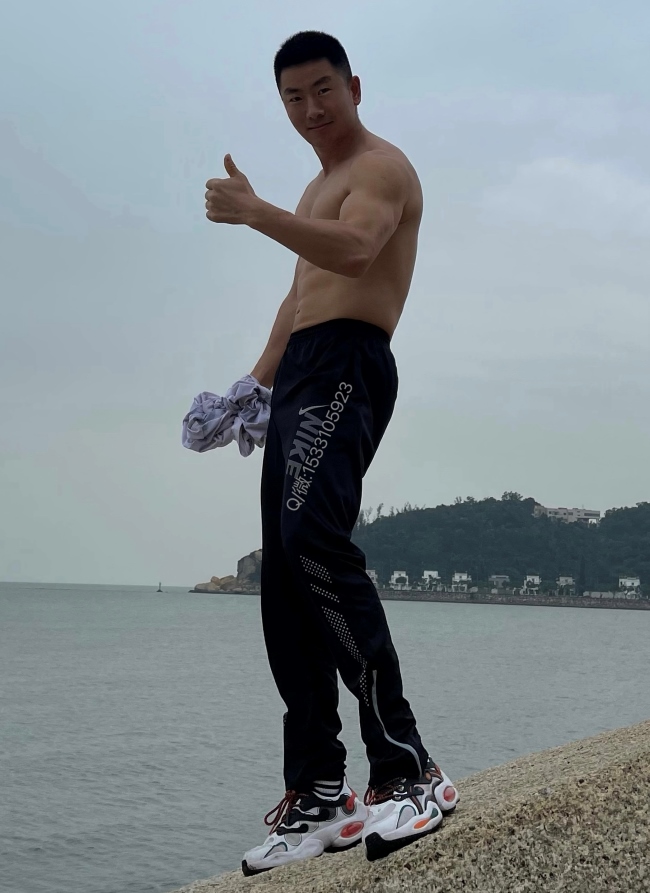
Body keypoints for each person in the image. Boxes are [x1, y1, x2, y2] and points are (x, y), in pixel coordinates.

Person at [204, 30, 459, 874]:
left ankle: (408, 767)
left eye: (323, 90)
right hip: (303, 371)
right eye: (293, 98)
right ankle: (318, 790)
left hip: (351, 360)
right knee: (284, 575)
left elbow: (354, 254)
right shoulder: (316, 187)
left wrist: (255, 213)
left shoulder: (381, 169)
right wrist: (252, 385)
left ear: (354, 86)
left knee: (314, 539)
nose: (310, 109)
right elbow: (300, 295)